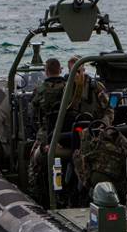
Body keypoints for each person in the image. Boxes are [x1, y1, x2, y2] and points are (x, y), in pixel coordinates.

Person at [27, 57, 66, 203]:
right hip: (66, 133)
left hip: (46, 134)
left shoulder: (40, 90)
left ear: (46, 71)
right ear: (60, 70)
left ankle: (36, 197)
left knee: (34, 162)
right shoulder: (69, 87)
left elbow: (32, 114)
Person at [66, 55, 114, 124]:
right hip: (75, 126)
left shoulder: (96, 86)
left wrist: (104, 123)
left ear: (83, 70)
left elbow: (110, 108)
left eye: (78, 71)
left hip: (95, 125)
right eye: (72, 72)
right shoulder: (66, 89)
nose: (76, 75)